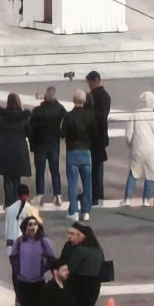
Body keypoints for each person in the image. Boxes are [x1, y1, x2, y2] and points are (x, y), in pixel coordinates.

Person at [59, 223, 104, 306]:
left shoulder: (80, 250)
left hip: (79, 285)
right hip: (94, 284)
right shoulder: (97, 249)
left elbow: (71, 268)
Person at [10, 217, 54, 306]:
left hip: (38, 283)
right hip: (23, 282)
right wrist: (19, 270)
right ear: (25, 227)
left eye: (35, 224)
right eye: (29, 224)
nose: (32, 227)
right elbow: (13, 257)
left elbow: (51, 257)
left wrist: (43, 269)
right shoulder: (19, 242)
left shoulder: (44, 241)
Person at [121, 91, 154, 207]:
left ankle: (128, 199)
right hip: (153, 150)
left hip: (138, 148)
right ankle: (146, 200)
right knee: (150, 174)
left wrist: (131, 146)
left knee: (134, 173)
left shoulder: (134, 116)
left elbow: (129, 135)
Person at [62, 90, 96, 222]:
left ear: (73, 100)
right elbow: (94, 133)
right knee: (87, 183)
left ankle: (73, 210)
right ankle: (86, 211)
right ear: (85, 101)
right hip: (86, 152)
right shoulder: (90, 116)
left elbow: (62, 133)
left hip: (72, 152)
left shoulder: (68, 116)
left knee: (72, 183)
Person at [29, 87, 65, 207]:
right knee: (55, 170)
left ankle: (39, 195)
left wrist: (32, 144)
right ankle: (57, 195)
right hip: (54, 143)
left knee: (40, 170)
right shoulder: (59, 109)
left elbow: (31, 129)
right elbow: (65, 119)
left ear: (44, 97)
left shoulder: (37, 111)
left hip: (40, 144)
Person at [85, 72, 111, 205]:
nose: (88, 85)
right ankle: (96, 192)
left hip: (95, 136)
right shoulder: (105, 96)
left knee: (93, 167)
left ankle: (95, 193)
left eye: (89, 82)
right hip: (101, 136)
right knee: (97, 166)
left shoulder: (95, 96)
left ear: (94, 81)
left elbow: (99, 116)